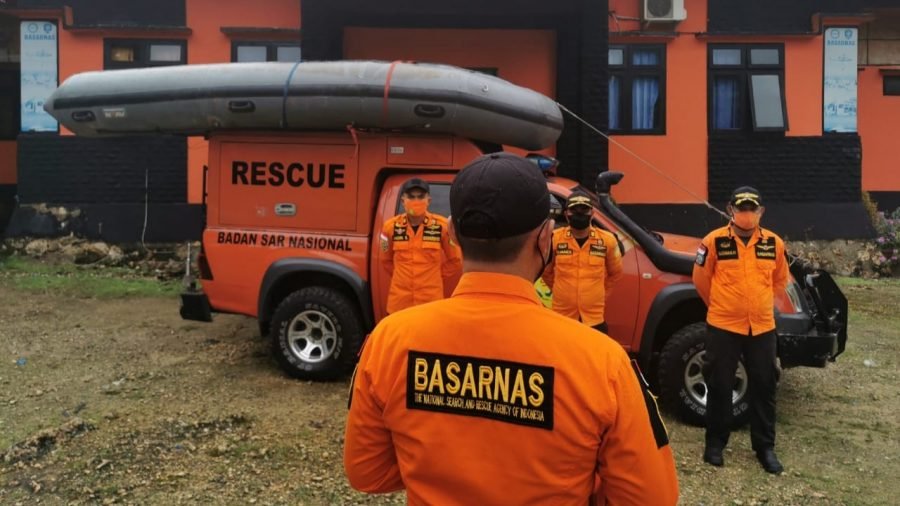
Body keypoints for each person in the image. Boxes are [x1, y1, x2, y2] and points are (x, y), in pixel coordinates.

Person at [345, 153, 678, 505]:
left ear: (452, 233)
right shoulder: (603, 361)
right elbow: (652, 497)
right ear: (546, 237)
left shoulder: (388, 341)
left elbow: (366, 472)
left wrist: (435, 466)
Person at [692, 186, 788, 474]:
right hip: (723, 325)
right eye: (741, 208)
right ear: (730, 210)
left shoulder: (774, 243)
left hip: (762, 327)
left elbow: (779, 281)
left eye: (751, 208)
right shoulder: (713, 241)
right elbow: (701, 279)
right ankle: (715, 444)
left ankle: (765, 447)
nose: (746, 213)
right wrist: (723, 306)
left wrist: (759, 305)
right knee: (719, 384)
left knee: (764, 385)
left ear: (761, 211)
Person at [541, 191, 623, 333]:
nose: (579, 213)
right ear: (566, 214)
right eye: (574, 209)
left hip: (594, 318)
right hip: (563, 314)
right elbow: (546, 271)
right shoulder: (555, 239)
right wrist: (561, 291)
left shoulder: (607, 240)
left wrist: (599, 294)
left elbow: (615, 273)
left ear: (592, 213)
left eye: (584, 209)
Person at [380, 178, 462, 314]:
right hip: (400, 302)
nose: (416, 201)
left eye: (420, 197)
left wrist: (433, 275)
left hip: (429, 302)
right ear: (403, 201)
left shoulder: (441, 227)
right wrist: (403, 276)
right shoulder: (389, 227)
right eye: (411, 197)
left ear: (428, 200)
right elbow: (385, 260)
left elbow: (456, 260)